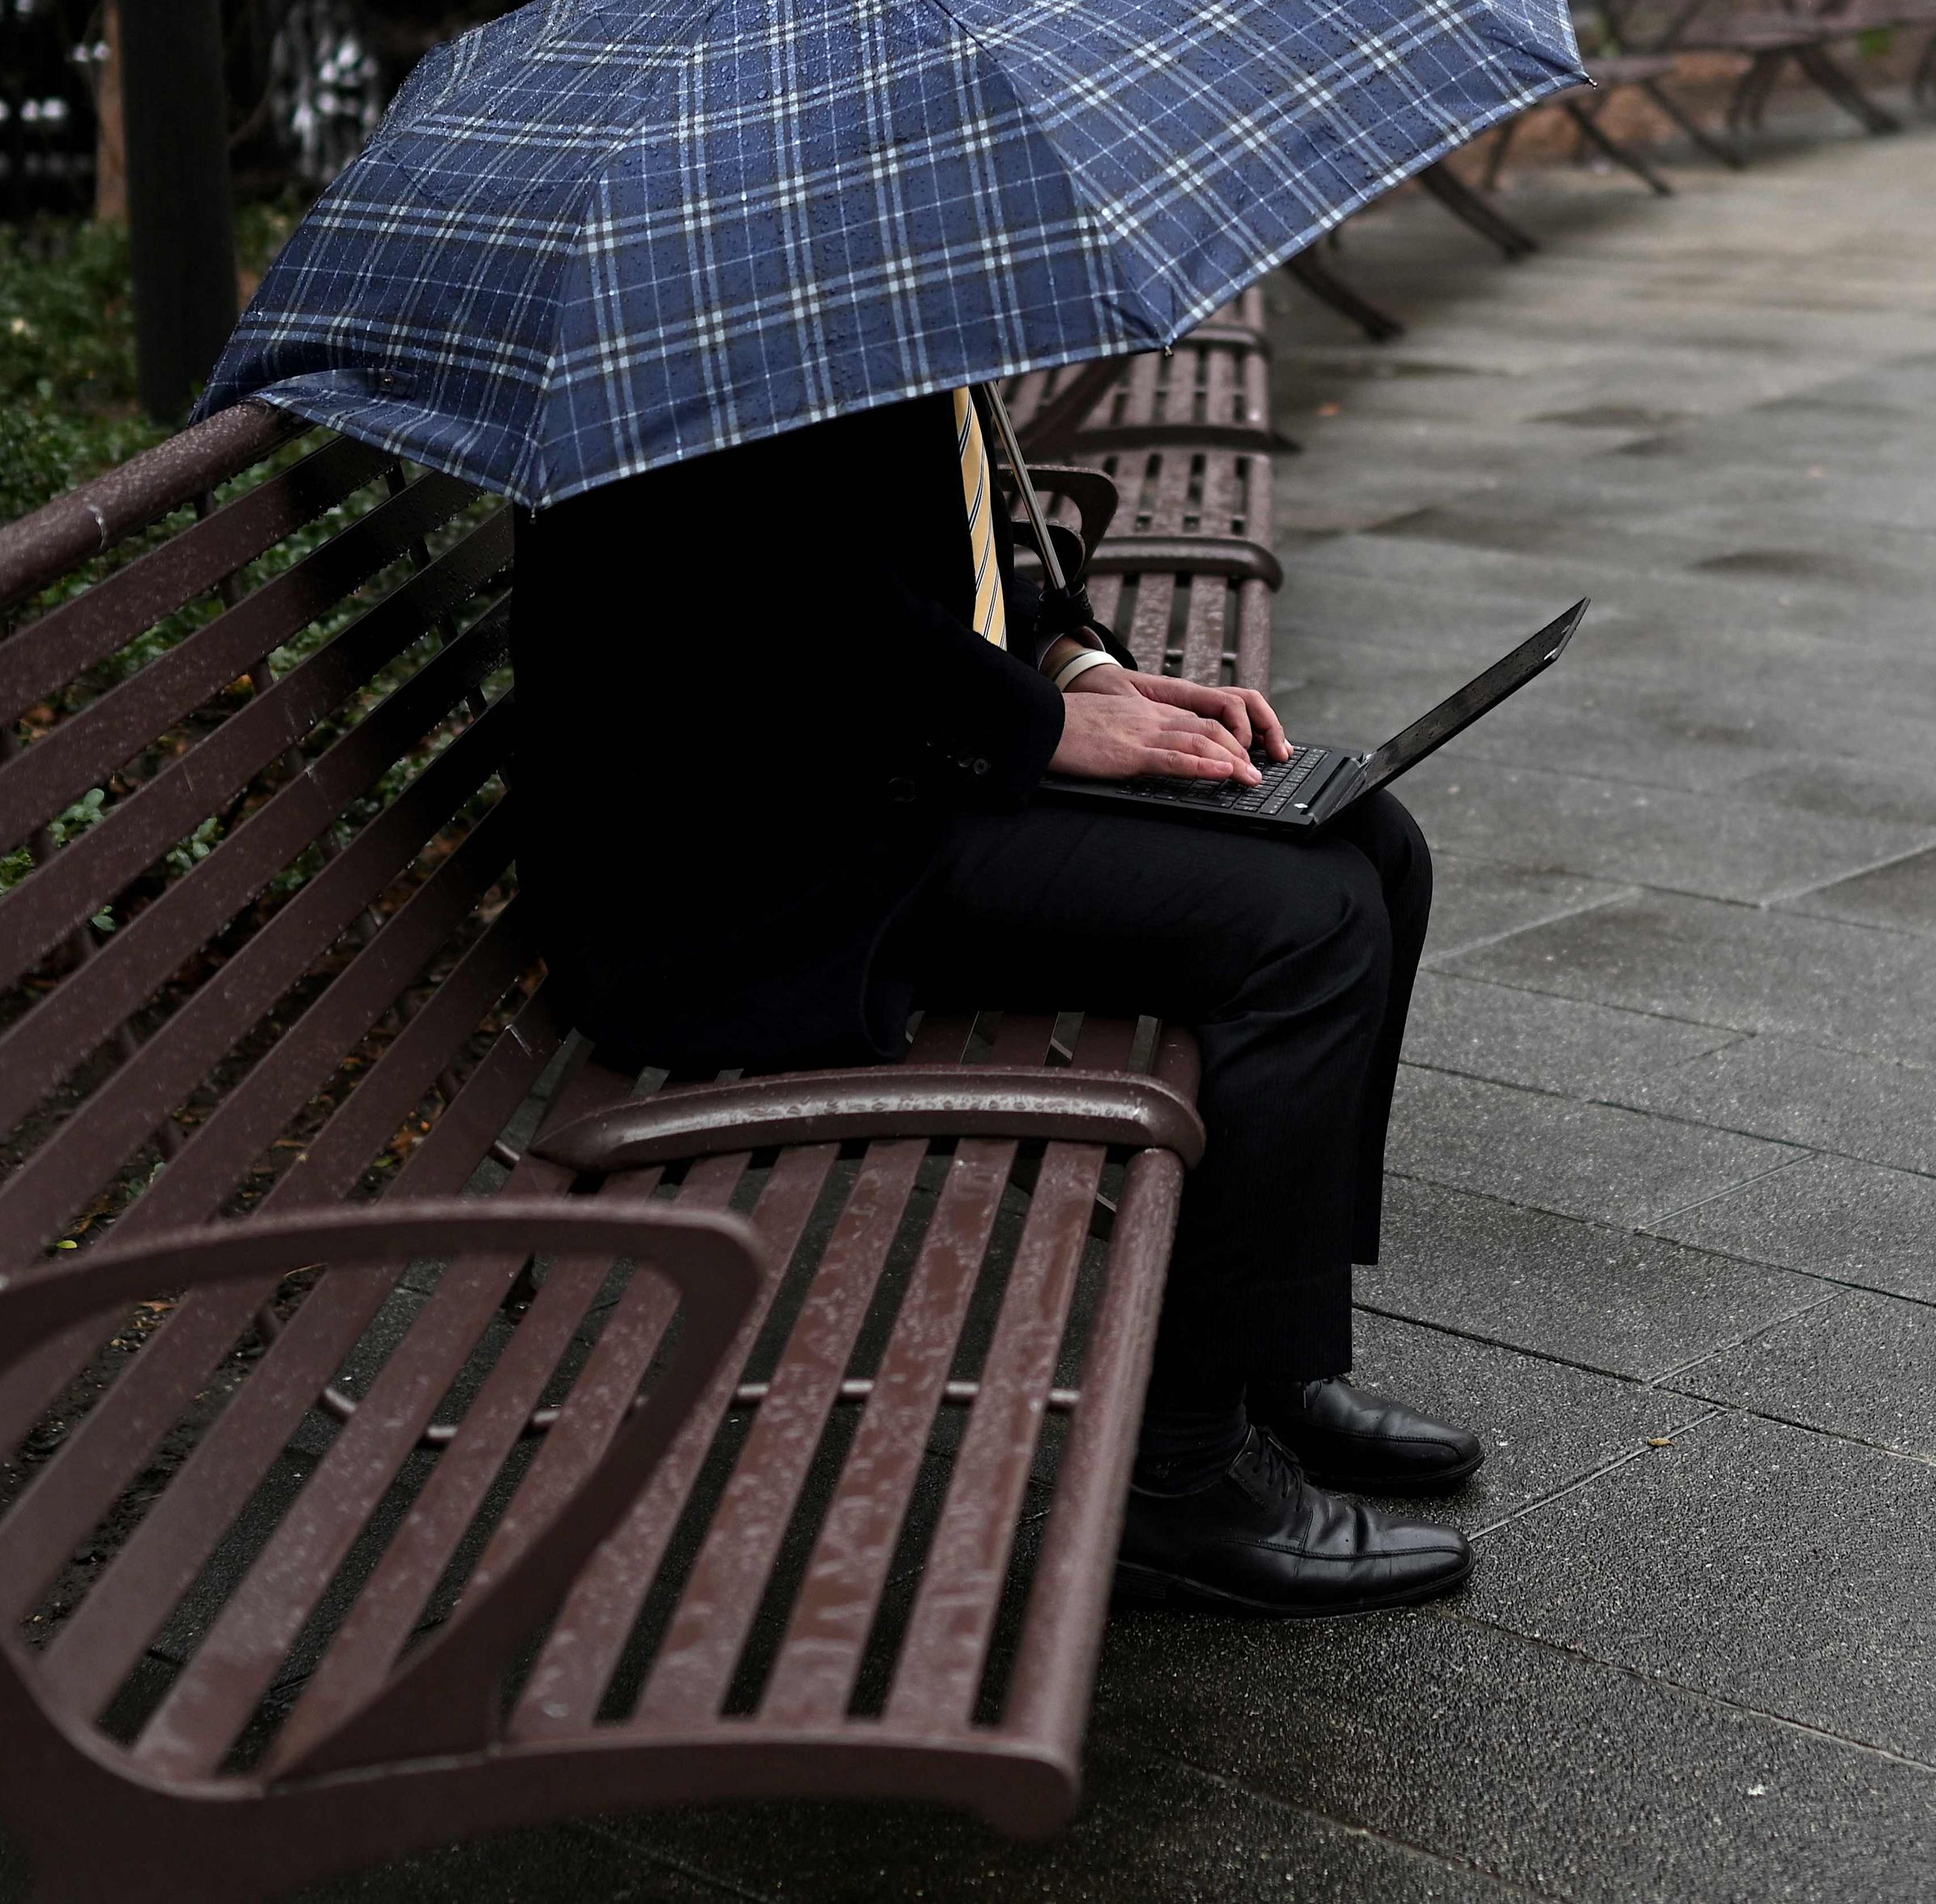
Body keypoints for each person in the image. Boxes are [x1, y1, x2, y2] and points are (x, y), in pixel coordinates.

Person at [516, 386, 1478, 1616]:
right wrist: (1044, 726)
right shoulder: (714, 350)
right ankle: (1180, 1487)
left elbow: (916, 555)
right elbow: (781, 599)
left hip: (864, 790)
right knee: (1309, 922)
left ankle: (1264, 1359)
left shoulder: (824, 281)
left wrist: (1081, 666)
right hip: (747, 876)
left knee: (1372, 842)